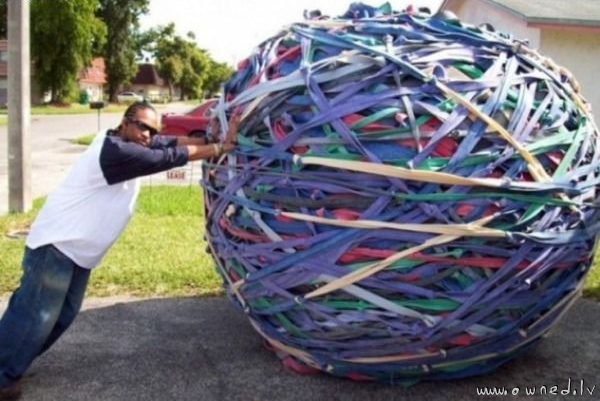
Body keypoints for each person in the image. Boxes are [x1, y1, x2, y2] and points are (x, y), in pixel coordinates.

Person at [0, 101, 238, 400]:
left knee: (62, 316)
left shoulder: (126, 140)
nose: (148, 135)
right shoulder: (115, 152)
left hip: (77, 252)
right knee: (34, 315)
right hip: (57, 245)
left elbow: (168, 142)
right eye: (142, 127)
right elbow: (169, 155)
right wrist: (218, 149)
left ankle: (13, 364)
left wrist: (210, 139)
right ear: (125, 122)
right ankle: (3, 374)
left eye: (152, 130)